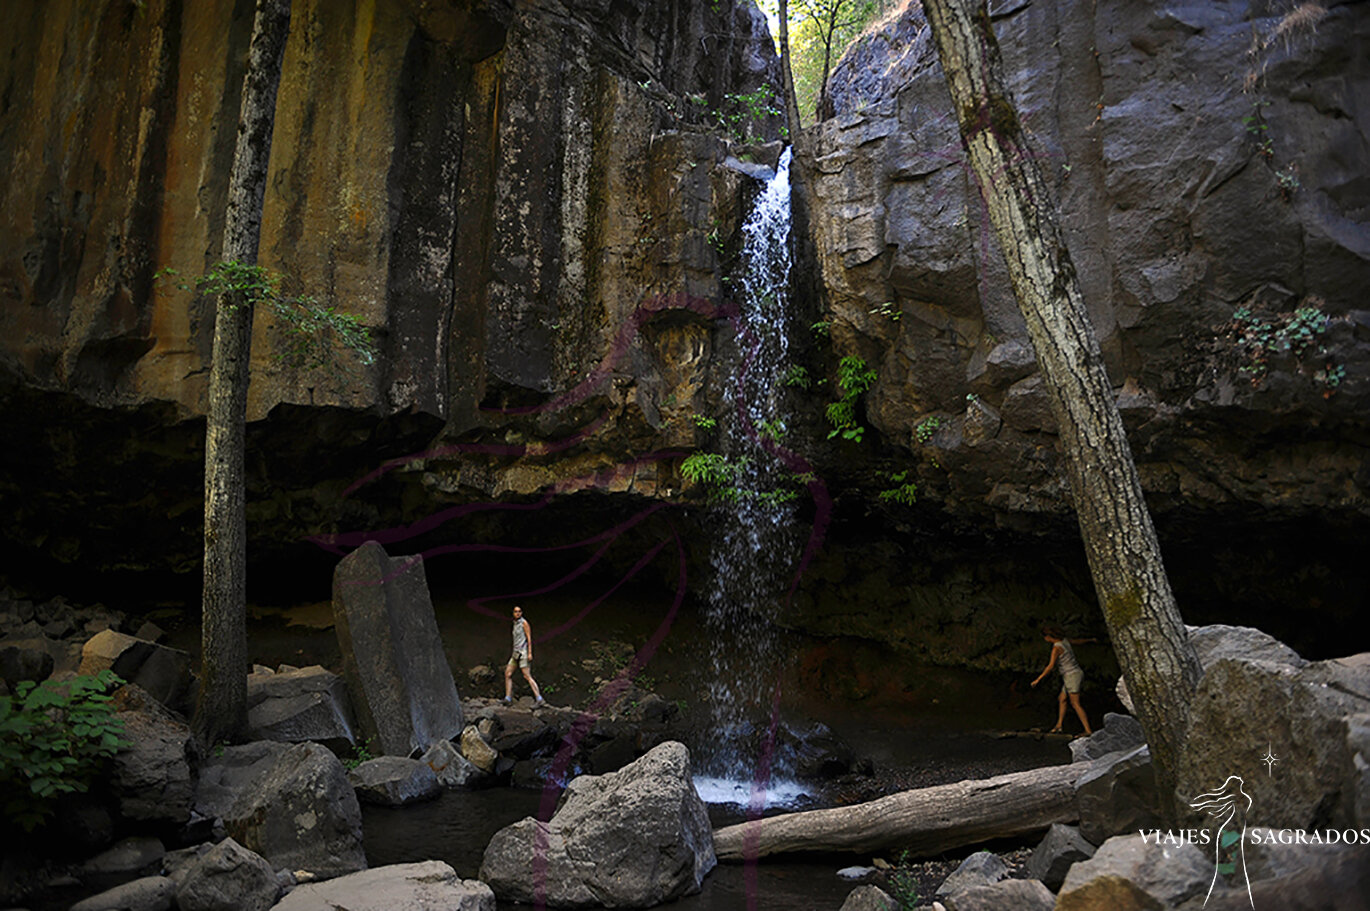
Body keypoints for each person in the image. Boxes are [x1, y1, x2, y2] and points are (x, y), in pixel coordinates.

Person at [1030, 626, 1093, 735]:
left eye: (1045, 637)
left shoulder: (1056, 648)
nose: (1045, 639)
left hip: (1071, 676)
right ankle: (1059, 725)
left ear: (1049, 637)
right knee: (1062, 699)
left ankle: (1088, 731)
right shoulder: (1065, 640)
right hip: (1074, 674)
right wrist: (1090, 640)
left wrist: (1038, 679)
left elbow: (1050, 666)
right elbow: (1077, 641)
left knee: (1075, 703)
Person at [504, 605, 544, 706]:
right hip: (515, 653)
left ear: (521, 613)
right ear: (513, 613)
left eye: (519, 611)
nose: (517, 613)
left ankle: (539, 698)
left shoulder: (524, 623)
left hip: (523, 653)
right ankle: (507, 698)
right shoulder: (515, 623)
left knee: (526, 675)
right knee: (508, 674)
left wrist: (530, 652)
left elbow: (529, 638)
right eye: (515, 611)